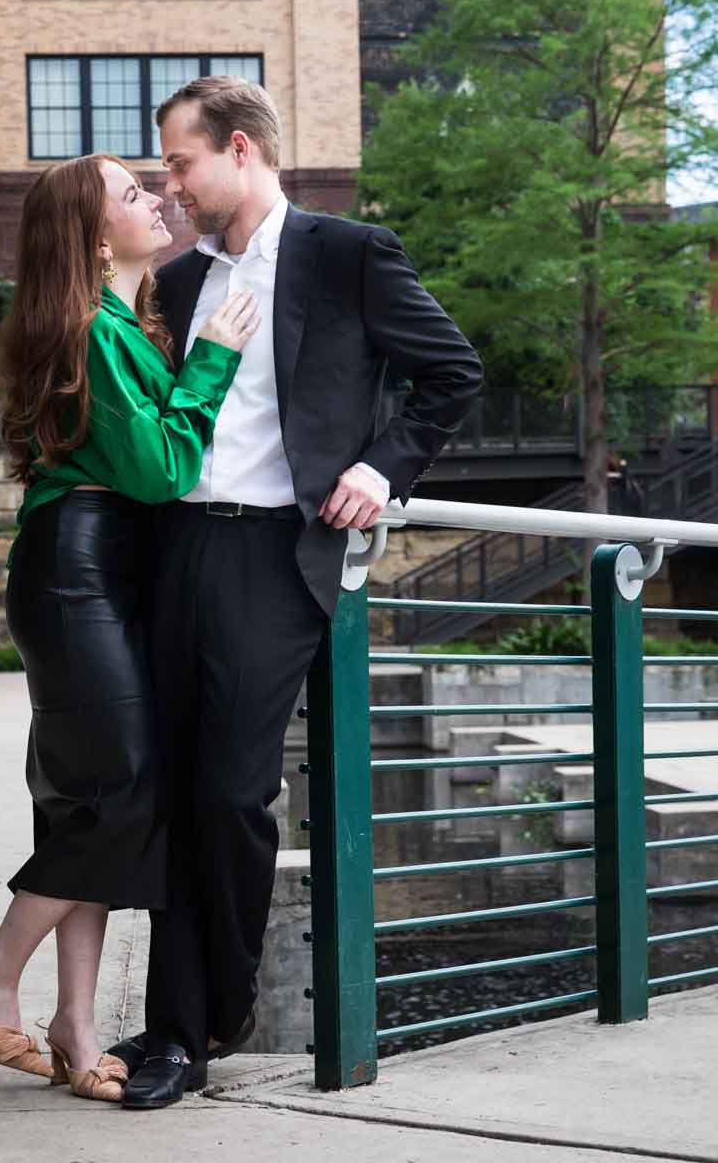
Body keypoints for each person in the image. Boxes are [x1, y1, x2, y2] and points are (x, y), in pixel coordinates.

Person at [109, 76, 483, 1110]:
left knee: (231, 792)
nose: (171, 186)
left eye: (180, 163)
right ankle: (173, 1019)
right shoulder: (181, 283)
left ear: (239, 147)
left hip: (277, 553)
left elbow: (452, 372)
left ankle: (205, 1018)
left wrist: (382, 467)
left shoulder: (344, 252)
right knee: (174, 796)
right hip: (174, 550)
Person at [0, 152, 258, 1105]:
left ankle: (76, 1028)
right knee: (121, 796)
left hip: (100, 570)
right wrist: (214, 363)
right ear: (91, 234)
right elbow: (161, 468)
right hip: (76, 573)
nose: (155, 199)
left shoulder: (116, 323)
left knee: (83, 801)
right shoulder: (88, 329)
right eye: (131, 193)